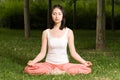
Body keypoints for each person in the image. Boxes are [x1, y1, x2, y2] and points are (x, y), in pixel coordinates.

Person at [24, 4, 92, 75]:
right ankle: (54, 72)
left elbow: (73, 53)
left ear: (63, 16)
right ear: (51, 16)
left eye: (59, 14)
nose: (57, 16)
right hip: (49, 64)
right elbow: (42, 53)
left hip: (64, 64)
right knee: (28, 69)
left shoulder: (69, 32)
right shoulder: (46, 32)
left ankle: (59, 72)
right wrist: (33, 61)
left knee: (87, 69)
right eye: (54, 14)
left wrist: (84, 62)